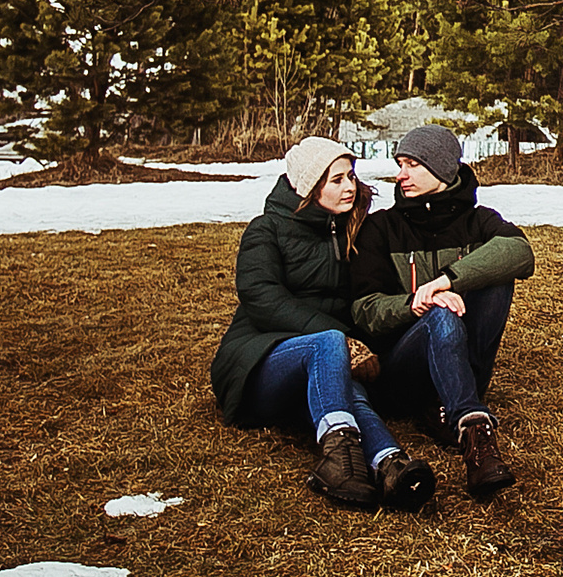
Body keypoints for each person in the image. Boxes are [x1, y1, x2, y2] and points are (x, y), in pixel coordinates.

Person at [211, 137, 437, 511]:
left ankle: (389, 464)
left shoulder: (357, 229)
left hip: (327, 366)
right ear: (309, 185)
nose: (350, 186)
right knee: (328, 342)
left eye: (351, 176)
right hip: (260, 364)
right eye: (337, 180)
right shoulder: (266, 230)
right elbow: (261, 296)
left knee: (349, 389)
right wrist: (345, 340)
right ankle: (338, 462)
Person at [351, 124, 532, 498]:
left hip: (465, 362)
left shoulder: (479, 221)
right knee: (440, 313)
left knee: (497, 274)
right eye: (400, 164)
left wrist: (446, 281)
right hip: (403, 371)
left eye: (413, 164)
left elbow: (520, 253)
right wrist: (415, 303)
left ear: (443, 168)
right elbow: (365, 310)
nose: (401, 175)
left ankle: (452, 411)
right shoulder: (381, 228)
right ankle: (475, 431)